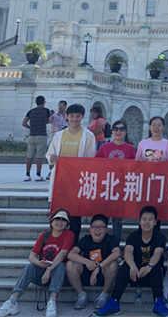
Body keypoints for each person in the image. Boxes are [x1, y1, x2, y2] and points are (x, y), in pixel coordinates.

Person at [0, 209, 75, 317]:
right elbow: (31, 256)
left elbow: (63, 254)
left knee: (60, 265)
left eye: (64, 220)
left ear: (67, 224)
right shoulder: (44, 236)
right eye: (57, 219)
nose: (60, 222)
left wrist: (49, 270)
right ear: (51, 221)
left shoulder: (69, 235)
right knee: (30, 266)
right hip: (42, 273)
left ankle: (52, 302)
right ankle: (12, 302)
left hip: (59, 276)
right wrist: (39, 263)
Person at [92, 206, 168, 317]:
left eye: (150, 219)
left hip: (151, 276)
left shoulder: (159, 237)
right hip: (134, 275)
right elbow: (127, 252)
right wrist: (133, 266)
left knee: (156, 266)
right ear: (139, 221)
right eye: (144, 219)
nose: (147, 222)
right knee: (125, 266)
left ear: (155, 222)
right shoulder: (133, 236)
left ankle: (158, 302)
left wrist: (149, 266)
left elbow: (158, 253)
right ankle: (114, 302)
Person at [46, 103, 96, 241]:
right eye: (72, 116)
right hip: (61, 181)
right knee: (58, 215)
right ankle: (57, 244)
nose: (74, 119)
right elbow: (50, 155)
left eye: (78, 116)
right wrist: (52, 158)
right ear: (67, 117)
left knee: (74, 217)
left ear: (83, 117)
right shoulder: (59, 135)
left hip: (78, 182)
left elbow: (91, 159)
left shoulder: (88, 136)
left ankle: (72, 245)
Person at [66, 214, 120, 311]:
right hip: (87, 272)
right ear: (90, 229)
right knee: (70, 264)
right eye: (94, 227)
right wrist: (87, 262)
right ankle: (81, 295)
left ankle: (104, 295)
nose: (97, 230)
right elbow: (71, 254)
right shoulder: (86, 239)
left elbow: (117, 253)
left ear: (106, 229)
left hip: (103, 274)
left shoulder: (110, 239)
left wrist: (99, 267)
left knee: (114, 264)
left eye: (101, 227)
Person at [96, 120, 135, 241]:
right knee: (103, 220)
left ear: (125, 132)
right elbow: (95, 165)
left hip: (121, 189)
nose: (118, 132)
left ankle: (115, 247)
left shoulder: (130, 148)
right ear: (112, 131)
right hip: (106, 188)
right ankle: (102, 245)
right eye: (116, 129)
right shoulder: (104, 147)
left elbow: (135, 167)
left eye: (121, 129)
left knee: (118, 221)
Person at [22, 95, 50, 182]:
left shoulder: (31, 111)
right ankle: (38, 175)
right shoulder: (46, 110)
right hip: (41, 135)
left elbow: (24, 123)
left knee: (30, 156)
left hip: (32, 135)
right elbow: (47, 121)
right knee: (39, 156)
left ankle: (27, 174)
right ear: (43, 102)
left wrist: (30, 127)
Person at [47, 100, 69, 179]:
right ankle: (50, 171)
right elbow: (48, 121)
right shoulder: (54, 115)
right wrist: (49, 115)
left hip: (65, 138)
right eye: (59, 105)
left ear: (65, 106)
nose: (60, 107)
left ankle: (62, 171)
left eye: (61, 105)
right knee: (52, 154)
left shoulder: (68, 116)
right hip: (54, 138)